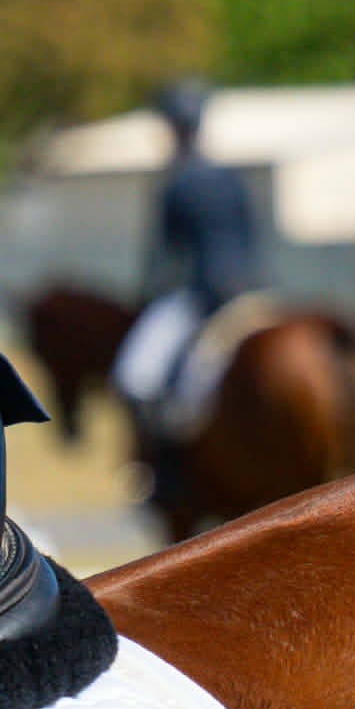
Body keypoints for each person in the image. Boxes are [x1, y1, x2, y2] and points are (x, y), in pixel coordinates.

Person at [110, 78, 257, 467]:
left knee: (135, 376)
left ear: (173, 128)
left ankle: (167, 469)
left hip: (199, 295)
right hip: (250, 289)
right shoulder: (230, 177)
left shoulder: (175, 183)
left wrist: (145, 296)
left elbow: (165, 255)